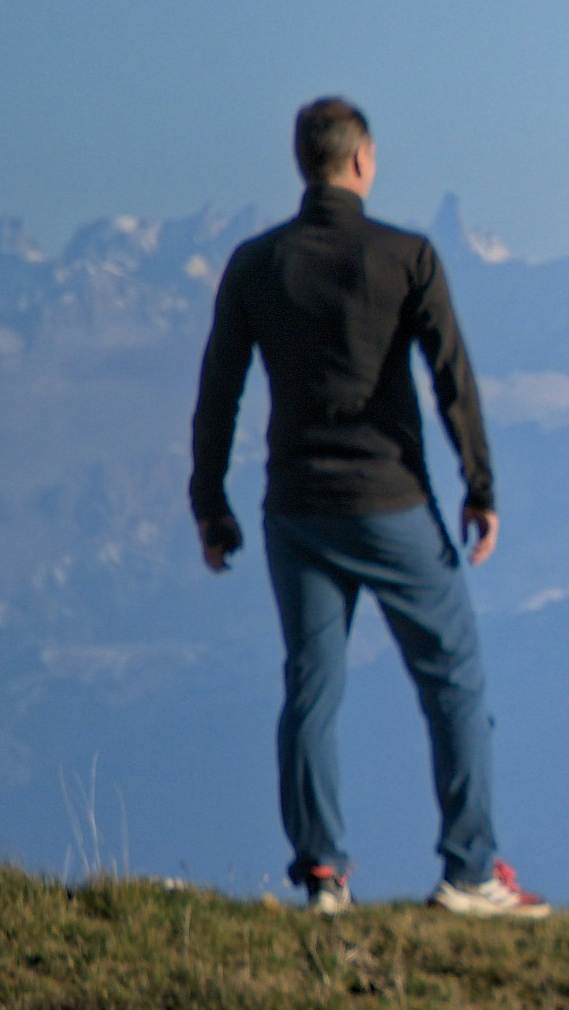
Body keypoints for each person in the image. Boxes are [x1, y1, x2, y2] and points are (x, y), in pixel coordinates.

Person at [188, 98, 547, 918]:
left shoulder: (254, 264)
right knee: (453, 679)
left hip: (295, 511)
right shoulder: (407, 257)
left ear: (302, 162)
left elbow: (219, 392)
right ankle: (470, 872)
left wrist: (211, 505)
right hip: (391, 505)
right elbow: (452, 378)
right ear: (364, 160)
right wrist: (480, 487)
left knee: (311, 689)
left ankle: (322, 875)